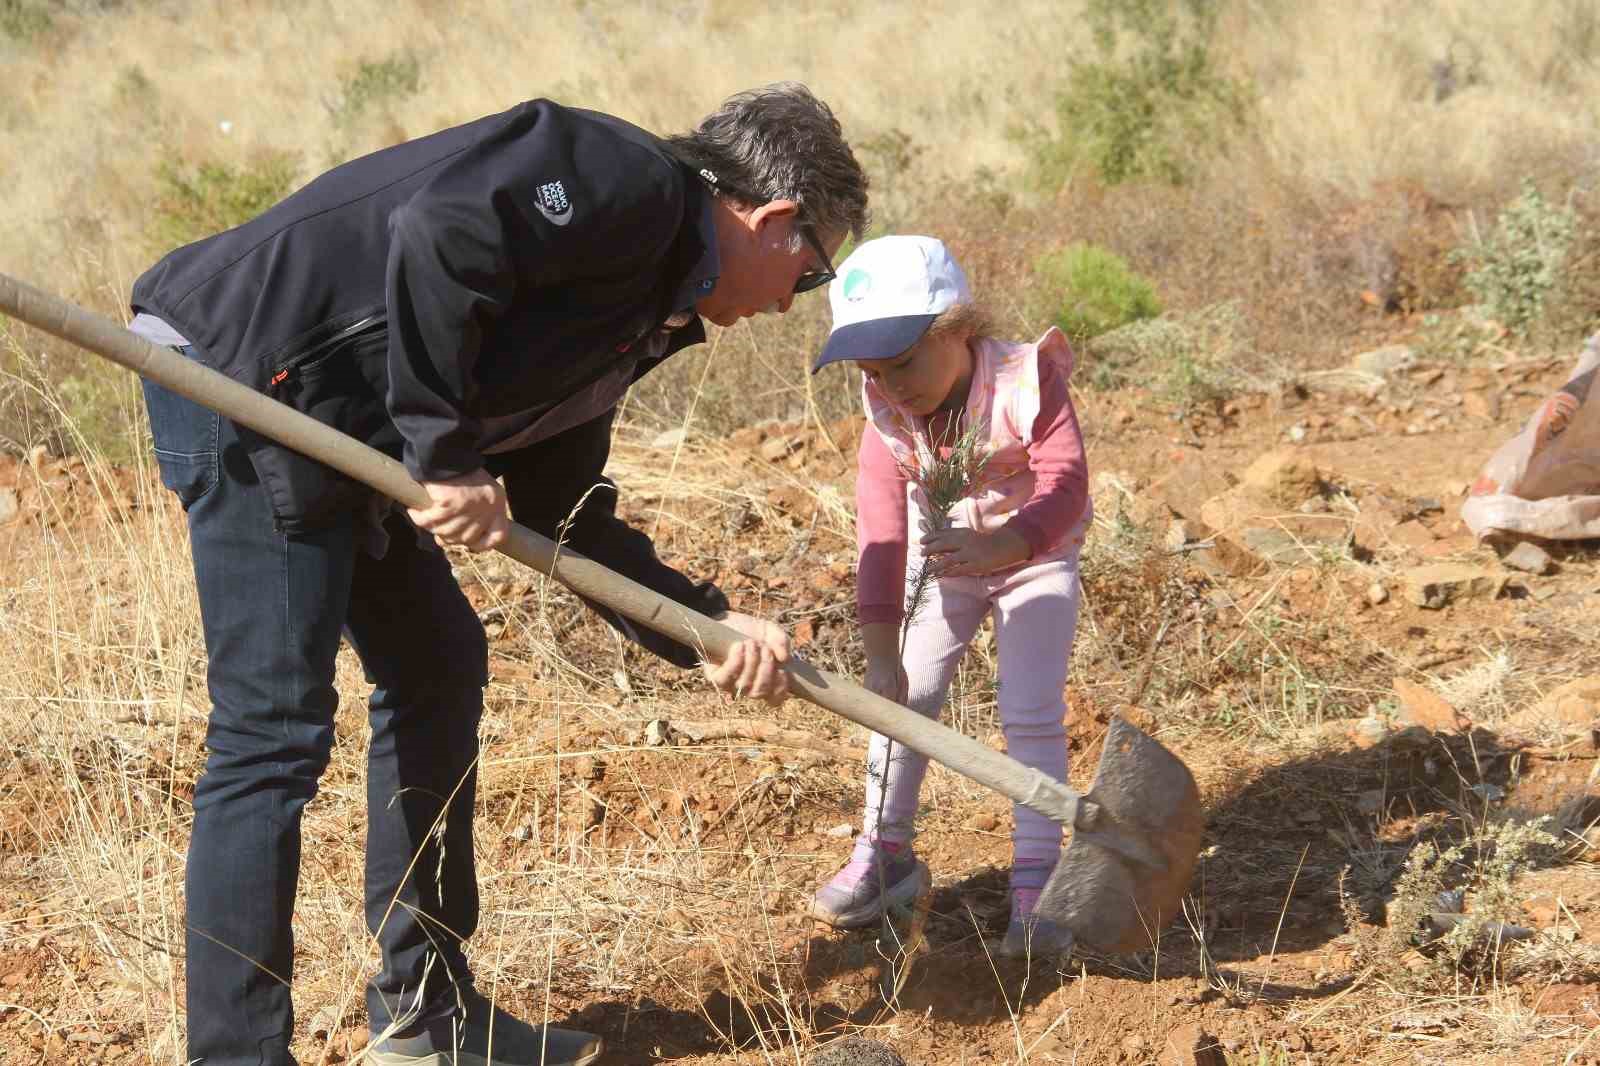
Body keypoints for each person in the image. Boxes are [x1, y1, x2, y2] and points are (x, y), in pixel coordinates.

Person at [128, 83, 868, 1066]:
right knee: (272, 729)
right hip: (245, 378)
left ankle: (425, 1017)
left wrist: (710, 628)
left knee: (437, 662)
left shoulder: (643, 300)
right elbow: (444, 232)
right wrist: (441, 455)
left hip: (338, 424)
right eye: (810, 274)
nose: (788, 303)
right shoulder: (630, 183)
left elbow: (563, 512)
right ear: (776, 220)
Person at [805, 236, 1090, 958]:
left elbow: (1066, 484)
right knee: (902, 702)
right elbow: (880, 526)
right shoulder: (887, 413)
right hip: (944, 567)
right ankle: (885, 852)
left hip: (1035, 560)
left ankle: (1039, 878)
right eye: (872, 369)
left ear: (959, 328)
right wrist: (879, 651)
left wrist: (1007, 545)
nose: (891, 385)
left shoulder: (1026, 381)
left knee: (1029, 715)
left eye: (903, 361)